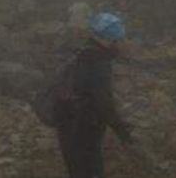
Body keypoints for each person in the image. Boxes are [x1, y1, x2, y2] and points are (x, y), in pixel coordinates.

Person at [55, 13, 133, 178]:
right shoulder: (98, 64)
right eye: (120, 39)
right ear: (110, 40)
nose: (123, 44)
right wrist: (123, 133)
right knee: (91, 170)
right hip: (84, 127)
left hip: (67, 124)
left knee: (77, 170)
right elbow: (104, 104)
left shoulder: (81, 54)